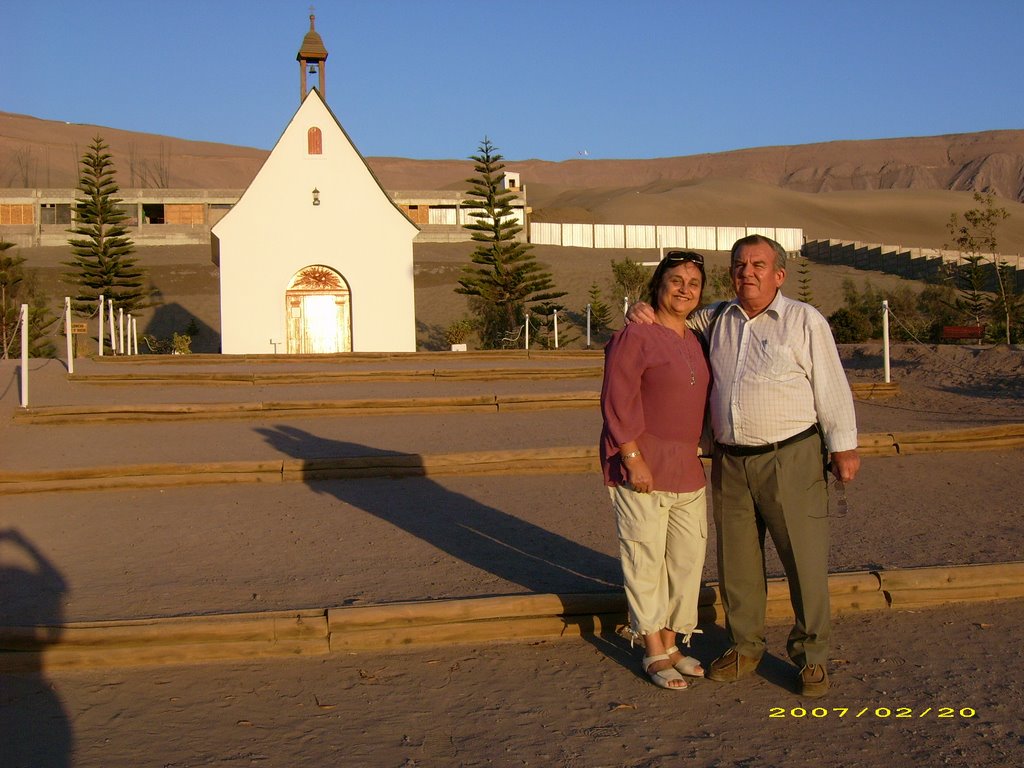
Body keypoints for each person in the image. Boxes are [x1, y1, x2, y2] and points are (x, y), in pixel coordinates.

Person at [627, 235, 860, 697]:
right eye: (739, 264)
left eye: (758, 264)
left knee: (804, 560)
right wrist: (640, 308)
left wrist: (843, 446)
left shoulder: (803, 320)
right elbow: (670, 311)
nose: (747, 272)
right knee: (736, 564)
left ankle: (811, 656)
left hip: (790, 455)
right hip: (731, 460)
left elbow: (831, 383)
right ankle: (743, 645)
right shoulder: (715, 317)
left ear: (779, 275)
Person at [600, 251, 712, 690]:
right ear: (658, 286)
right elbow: (617, 399)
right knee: (644, 556)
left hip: (687, 467)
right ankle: (651, 649)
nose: (685, 288)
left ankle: (672, 642)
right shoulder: (636, 334)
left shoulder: (696, 338)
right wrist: (631, 456)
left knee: (685, 560)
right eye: (676, 279)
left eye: (694, 282)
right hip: (642, 464)